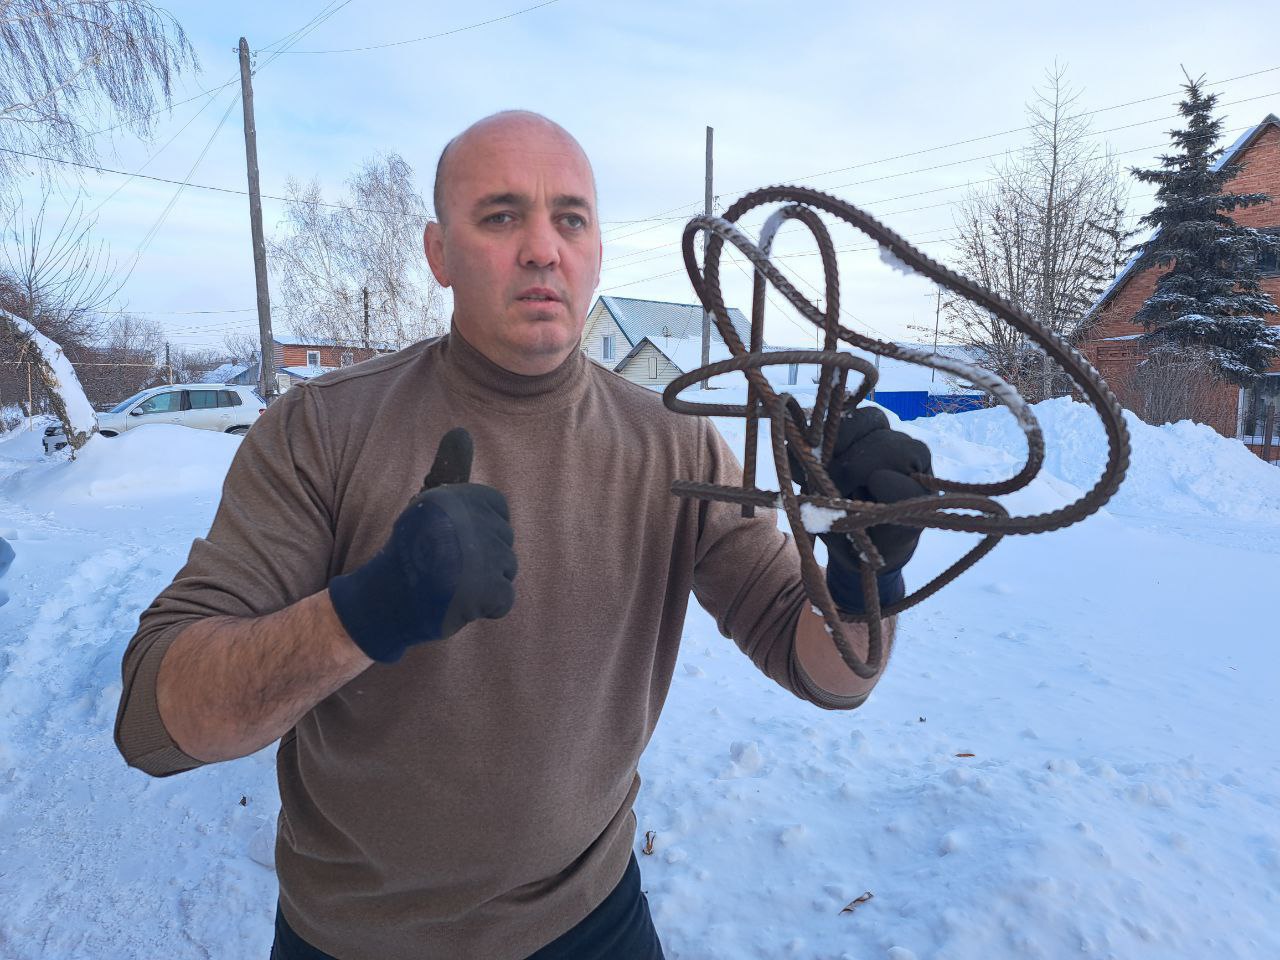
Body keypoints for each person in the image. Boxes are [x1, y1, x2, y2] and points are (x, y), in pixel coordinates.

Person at [115, 111, 933, 960]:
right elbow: (154, 720)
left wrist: (862, 571)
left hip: (593, 917)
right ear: (439, 253)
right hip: (358, 937)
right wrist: (367, 611)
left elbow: (827, 673)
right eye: (501, 215)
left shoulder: (673, 441)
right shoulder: (322, 428)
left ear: (597, 252)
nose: (543, 249)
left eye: (570, 219)